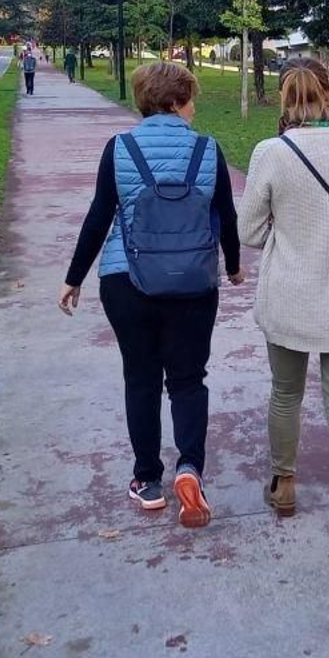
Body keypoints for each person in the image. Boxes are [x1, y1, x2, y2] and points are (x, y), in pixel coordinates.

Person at [59, 62, 244, 527]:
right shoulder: (207, 149)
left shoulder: (119, 148)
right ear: (177, 102)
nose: (194, 107)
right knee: (187, 378)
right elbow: (225, 214)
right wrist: (235, 265)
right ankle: (190, 468)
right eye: (191, 98)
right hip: (193, 282)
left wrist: (74, 276)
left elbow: (100, 215)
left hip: (127, 280)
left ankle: (148, 480)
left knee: (140, 378)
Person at [240, 67, 329, 579]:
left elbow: (250, 232)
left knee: (286, 394)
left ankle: (283, 484)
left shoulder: (271, 152)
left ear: (283, 99)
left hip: (291, 295)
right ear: (328, 95)